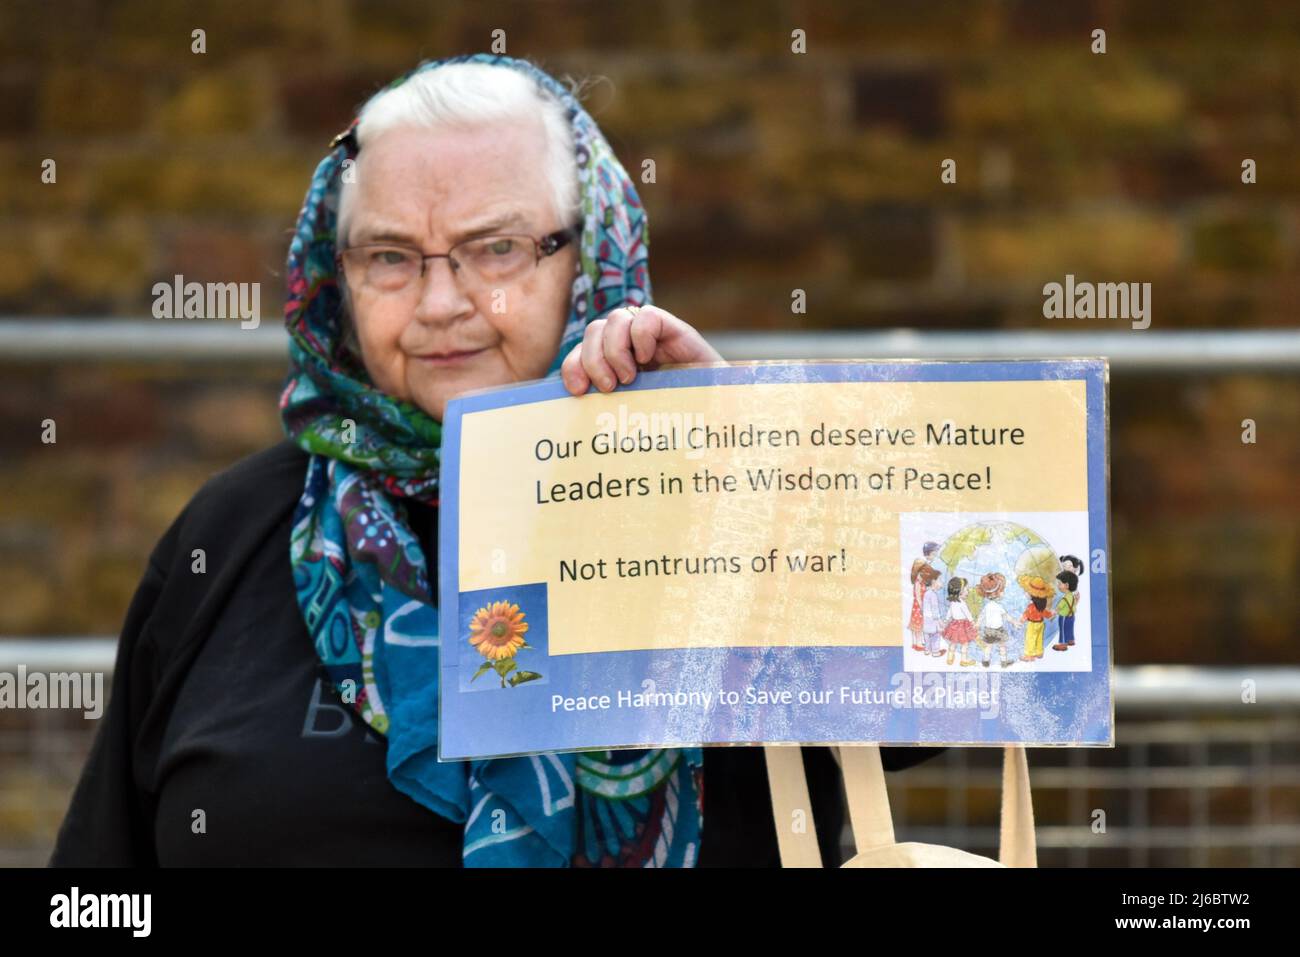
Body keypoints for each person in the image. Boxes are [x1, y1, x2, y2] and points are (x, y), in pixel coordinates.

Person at [49, 54, 941, 868]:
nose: (441, 302)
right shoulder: (230, 533)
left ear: (589, 252)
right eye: (390, 256)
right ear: (335, 273)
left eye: (497, 248)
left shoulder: (713, 487)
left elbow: (950, 682)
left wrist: (744, 464)